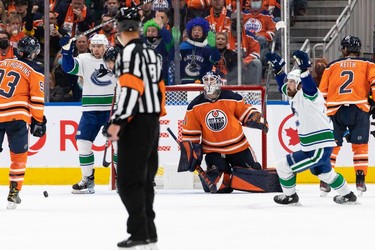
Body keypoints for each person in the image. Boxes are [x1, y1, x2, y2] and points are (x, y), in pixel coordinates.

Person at [103, 6, 166, 249]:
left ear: (119, 30)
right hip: (151, 121)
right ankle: (149, 231)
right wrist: (156, 116)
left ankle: (139, 232)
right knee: (145, 179)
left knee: (128, 181)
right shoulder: (150, 53)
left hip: (134, 121)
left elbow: (130, 90)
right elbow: (159, 88)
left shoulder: (128, 54)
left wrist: (117, 123)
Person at [265, 50, 357, 205]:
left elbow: (309, 87)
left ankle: (290, 196)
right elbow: (284, 86)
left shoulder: (310, 95)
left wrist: (304, 70)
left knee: (284, 165)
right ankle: (348, 195)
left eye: (292, 82)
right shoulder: (295, 94)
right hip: (316, 146)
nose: (288, 85)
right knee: (325, 174)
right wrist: (278, 70)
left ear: (300, 85)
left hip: (317, 147)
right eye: (289, 81)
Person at [180, 71, 268, 193]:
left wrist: (254, 117)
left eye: (212, 80)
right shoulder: (195, 105)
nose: (209, 83)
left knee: (252, 179)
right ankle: (215, 172)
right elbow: (190, 133)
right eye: (206, 80)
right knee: (222, 187)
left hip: (238, 148)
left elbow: (245, 111)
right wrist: (190, 155)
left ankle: (250, 168)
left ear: (219, 82)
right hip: (213, 151)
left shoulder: (232, 97)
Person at [59, 33, 117, 194]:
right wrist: (66, 51)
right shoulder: (84, 58)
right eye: (94, 46)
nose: (96, 49)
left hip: (112, 110)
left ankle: (121, 178)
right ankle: (88, 180)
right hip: (90, 110)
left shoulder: (115, 58)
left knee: (119, 144)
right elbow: (68, 67)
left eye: (100, 46)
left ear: (106, 46)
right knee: (83, 143)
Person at [318, 35, 375, 196]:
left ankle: (325, 181)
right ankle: (360, 180)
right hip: (359, 108)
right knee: (360, 146)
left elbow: (322, 93)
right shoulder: (368, 64)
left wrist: (322, 112)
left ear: (344, 49)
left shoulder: (332, 66)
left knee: (332, 146)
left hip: (335, 110)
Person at [0, 36, 46, 209]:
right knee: (18, 157)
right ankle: (14, 193)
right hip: (16, 116)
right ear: (33, 53)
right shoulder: (35, 69)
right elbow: (36, 98)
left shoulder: (3, 62)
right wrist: (39, 120)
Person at [179, 17, 220, 84]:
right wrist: (174, 45)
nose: (196, 32)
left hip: (202, 83)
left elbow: (216, 59)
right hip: (184, 83)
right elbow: (173, 58)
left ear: (204, 32)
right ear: (190, 32)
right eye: (194, 30)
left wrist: (214, 48)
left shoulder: (207, 48)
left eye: (199, 30)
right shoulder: (183, 47)